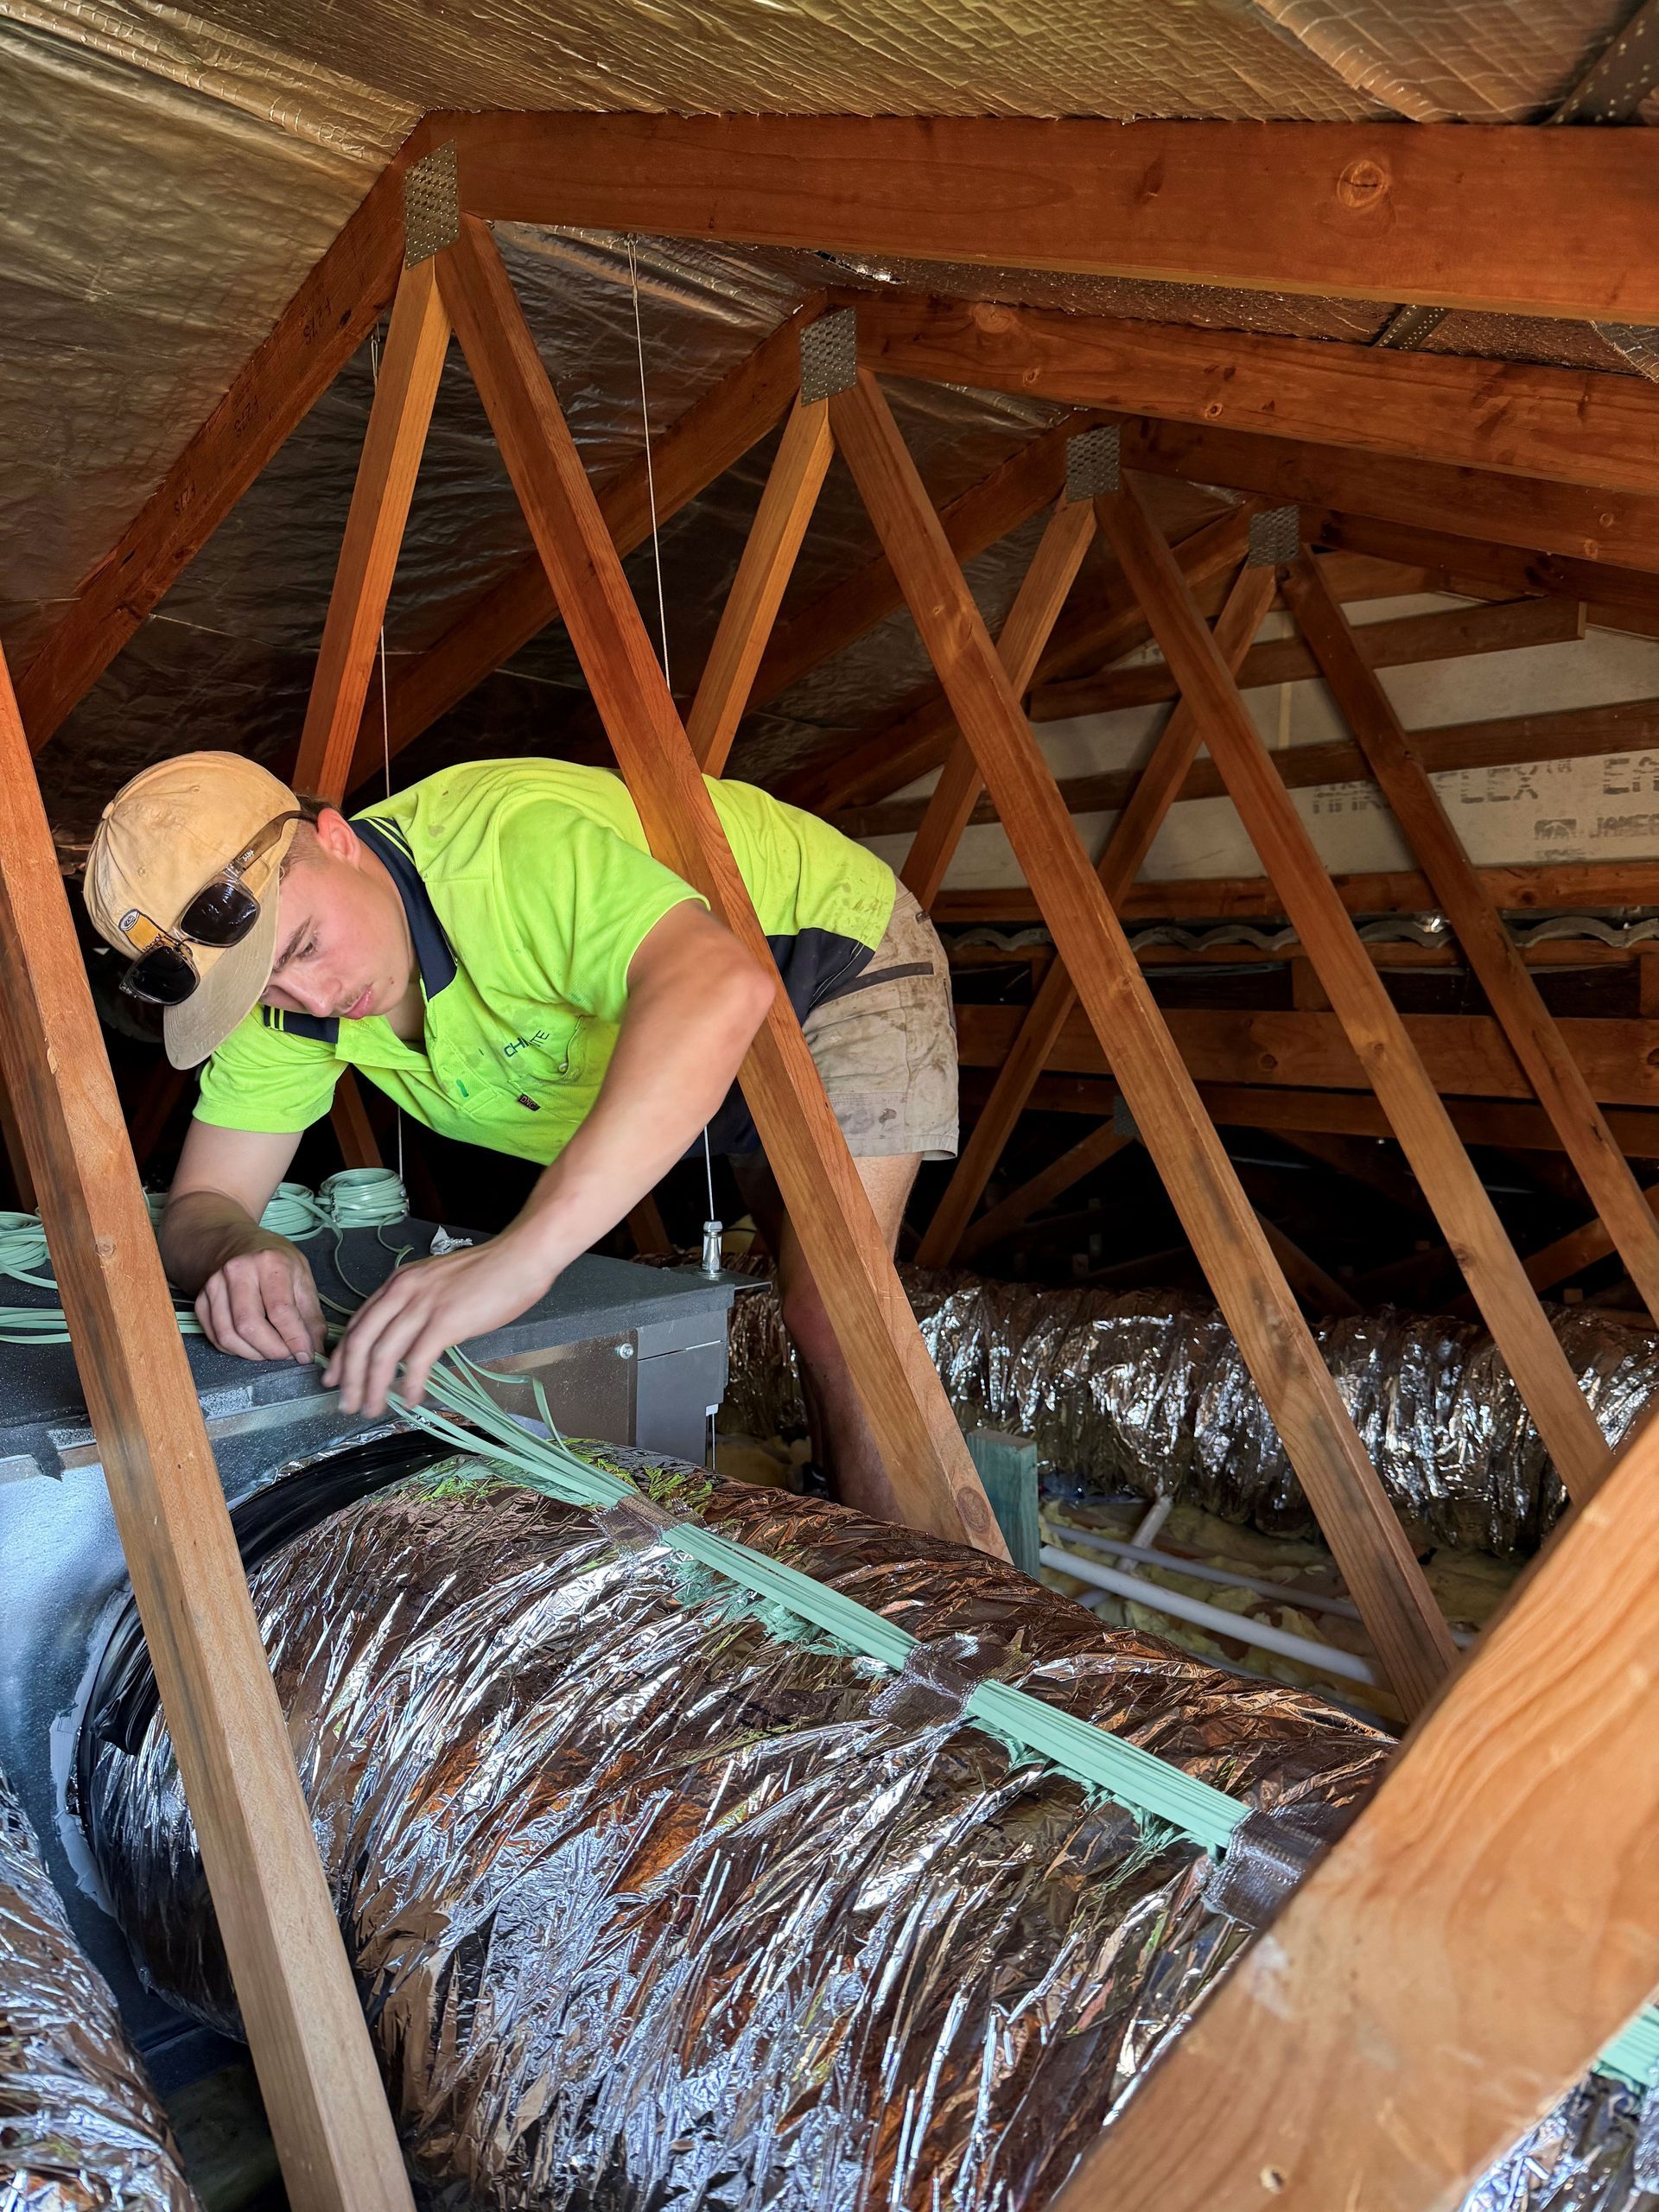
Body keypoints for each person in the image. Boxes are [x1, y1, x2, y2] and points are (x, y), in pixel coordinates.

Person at [83, 752, 958, 1522]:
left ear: (336, 837)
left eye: (303, 943)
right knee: (809, 1301)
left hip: (824, 958)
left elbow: (717, 985)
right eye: (261, 987)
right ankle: (855, 1524)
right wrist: (237, 1245)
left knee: (835, 1310)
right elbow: (202, 1204)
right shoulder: (287, 1009)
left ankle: (944, 1636)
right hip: (688, 1053)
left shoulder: (499, 851)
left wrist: (523, 1254)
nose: (310, 996)